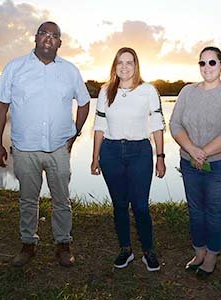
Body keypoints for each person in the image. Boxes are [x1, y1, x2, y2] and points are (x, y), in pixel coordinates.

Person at [0, 21, 90, 268]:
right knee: (27, 198)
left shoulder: (70, 71)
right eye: (44, 33)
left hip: (59, 148)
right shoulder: (15, 67)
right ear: (35, 38)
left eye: (54, 35)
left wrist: (75, 133)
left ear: (60, 43)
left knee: (62, 199)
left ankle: (63, 244)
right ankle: (28, 244)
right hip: (25, 149)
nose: (49, 38)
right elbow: (1, 105)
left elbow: (85, 102)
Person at [169, 46, 221, 278]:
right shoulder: (186, 92)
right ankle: (199, 252)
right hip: (189, 162)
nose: (207, 68)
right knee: (195, 210)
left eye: (212, 62)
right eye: (202, 63)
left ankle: (211, 256)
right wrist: (192, 150)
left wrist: (203, 152)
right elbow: (175, 125)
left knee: (215, 212)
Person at [91, 47, 166, 272]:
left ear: (136, 65)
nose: (124, 67)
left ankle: (148, 251)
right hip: (111, 152)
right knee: (120, 205)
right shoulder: (105, 92)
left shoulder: (148, 91)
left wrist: (160, 157)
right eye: (120, 62)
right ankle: (126, 249)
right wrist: (95, 158)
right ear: (114, 66)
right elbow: (99, 127)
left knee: (141, 206)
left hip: (140, 152)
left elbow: (157, 126)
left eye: (129, 62)